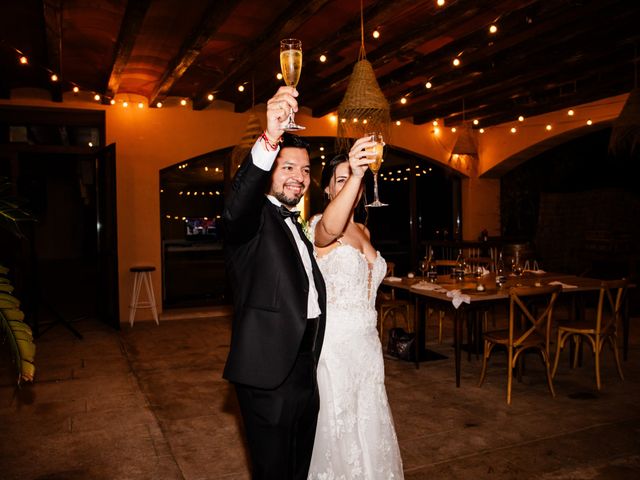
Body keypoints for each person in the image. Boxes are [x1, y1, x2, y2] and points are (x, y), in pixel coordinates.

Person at [223, 86, 327, 480]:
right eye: (287, 168)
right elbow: (237, 206)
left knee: (299, 469)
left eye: (304, 170)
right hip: (268, 376)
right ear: (269, 172)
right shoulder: (250, 222)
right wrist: (269, 138)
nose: (299, 178)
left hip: (304, 370)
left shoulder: (294, 224)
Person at [307, 141, 404, 479]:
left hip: (367, 344)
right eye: (341, 179)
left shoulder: (363, 230)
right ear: (328, 188)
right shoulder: (319, 225)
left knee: (369, 420)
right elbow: (330, 231)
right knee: (338, 425)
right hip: (335, 347)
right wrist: (357, 169)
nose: (351, 184)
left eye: (356, 179)